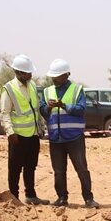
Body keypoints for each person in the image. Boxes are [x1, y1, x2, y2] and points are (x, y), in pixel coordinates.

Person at [40, 59, 99, 208]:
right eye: (53, 76)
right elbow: (42, 111)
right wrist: (48, 107)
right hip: (55, 138)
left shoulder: (77, 90)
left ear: (67, 75)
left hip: (74, 138)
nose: (54, 78)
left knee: (81, 169)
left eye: (57, 76)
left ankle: (88, 198)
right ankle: (61, 198)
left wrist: (64, 105)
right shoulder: (47, 91)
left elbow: (81, 110)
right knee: (59, 171)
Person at [0, 54, 49, 205]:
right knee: (15, 169)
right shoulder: (8, 88)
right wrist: (10, 132)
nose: (30, 75)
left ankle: (31, 195)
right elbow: (5, 112)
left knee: (30, 167)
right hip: (18, 136)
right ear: (18, 72)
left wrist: (41, 126)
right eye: (27, 72)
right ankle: (14, 197)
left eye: (30, 72)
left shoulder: (32, 85)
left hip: (33, 134)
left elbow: (35, 108)